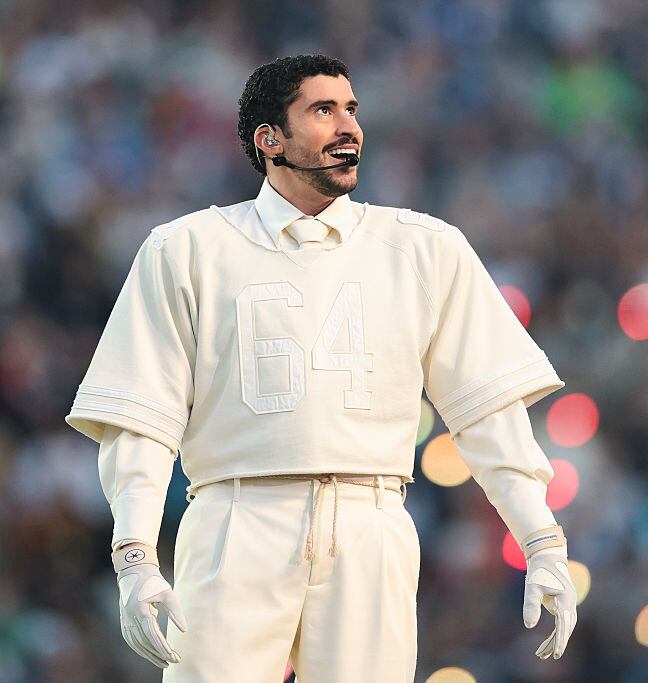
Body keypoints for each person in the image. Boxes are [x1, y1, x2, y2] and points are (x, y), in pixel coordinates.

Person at [65, 54, 578, 682]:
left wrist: (541, 538)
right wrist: (135, 554)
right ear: (270, 139)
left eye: (352, 110)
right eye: (323, 110)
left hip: (372, 519)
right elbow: (142, 418)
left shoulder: (426, 248)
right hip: (233, 515)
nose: (349, 127)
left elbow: (486, 410)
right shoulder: (186, 249)